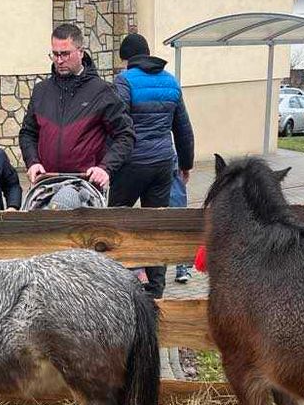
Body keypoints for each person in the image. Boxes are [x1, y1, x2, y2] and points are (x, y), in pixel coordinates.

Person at [110, 32, 194, 299]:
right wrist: (186, 164)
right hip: (162, 165)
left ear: (127, 59)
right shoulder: (171, 82)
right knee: (155, 225)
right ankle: (156, 292)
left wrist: (106, 163)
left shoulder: (124, 82)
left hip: (131, 165)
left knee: (116, 220)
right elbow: (183, 128)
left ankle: (128, 277)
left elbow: (116, 125)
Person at [19, 23, 133, 191]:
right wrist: (32, 162)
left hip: (86, 187)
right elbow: (28, 133)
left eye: (65, 54)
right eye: (55, 54)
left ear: (80, 52)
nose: (59, 60)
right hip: (46, 185)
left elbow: (125, 135)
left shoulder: (102, 91)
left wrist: (105, 168)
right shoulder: (41, 91)